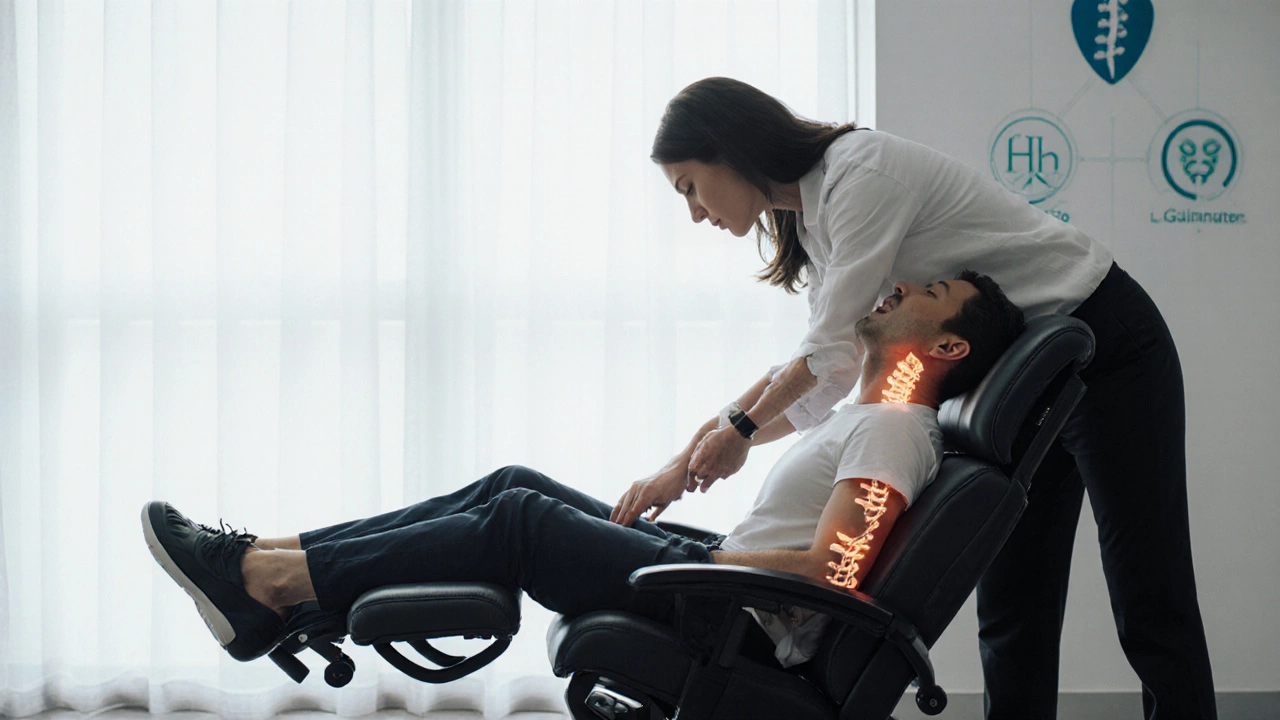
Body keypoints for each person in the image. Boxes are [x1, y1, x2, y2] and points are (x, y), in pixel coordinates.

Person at [638, 76, 1213, 720]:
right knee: (1013, 597)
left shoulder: (861, 175)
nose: (693, 210)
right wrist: (686, 459)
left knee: (1147, 588)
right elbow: (823, 376)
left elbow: (823, 358)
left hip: (1110, 344)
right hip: (1024, 374)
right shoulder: (816, 218)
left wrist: (739, 432)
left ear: (728, 148)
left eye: (689, 186)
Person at [142, 270, 1023, 669]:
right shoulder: (867, 415)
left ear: (946, 344)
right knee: (511, 486)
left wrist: (701, 561)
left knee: (520, 525)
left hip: (730, 616)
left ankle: (265, 581)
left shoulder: (898, 431)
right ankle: (269, 556)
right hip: (716, 578)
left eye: (927, 293)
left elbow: (836, 572)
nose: (899, 286)